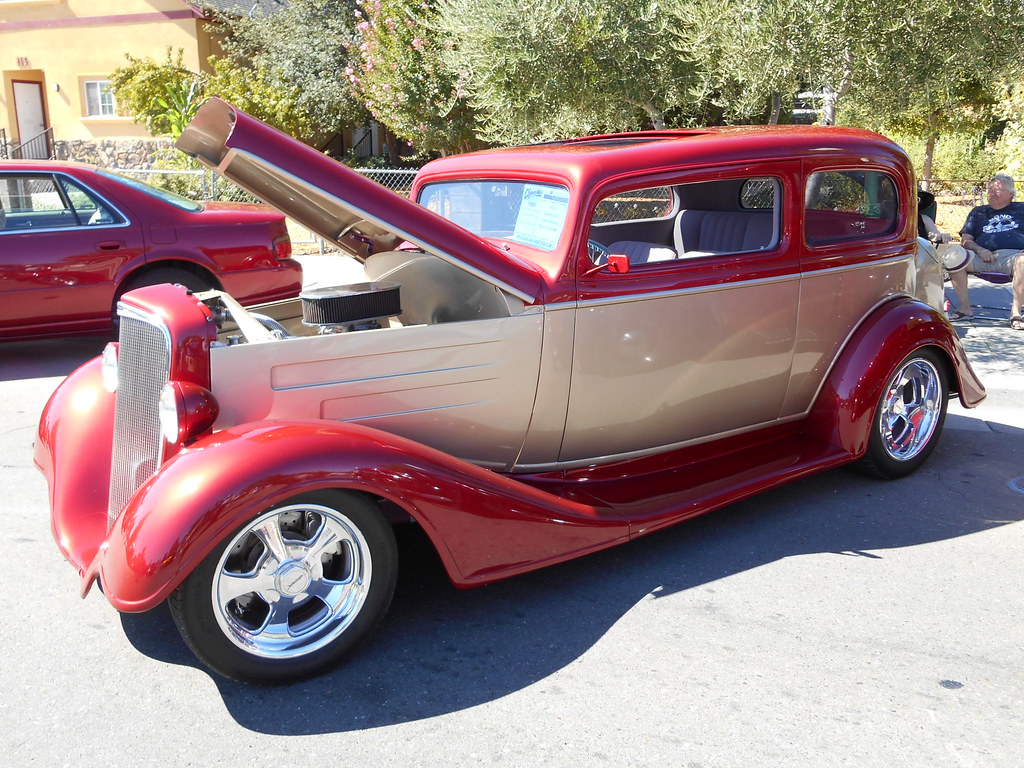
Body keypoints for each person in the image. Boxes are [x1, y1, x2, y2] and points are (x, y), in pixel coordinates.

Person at [947, 174, 1024, 329]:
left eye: (997, 190)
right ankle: (964, 309)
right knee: (953, 255)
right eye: (990, 190)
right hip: (980, 256)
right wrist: (980, 249)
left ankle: (1015, 313)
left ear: (1011, 194)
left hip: (1013, 257)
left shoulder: (1021, 209)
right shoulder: (978, 212)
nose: (992, 193)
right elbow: (966, 240)